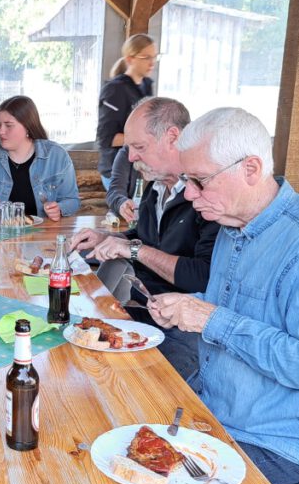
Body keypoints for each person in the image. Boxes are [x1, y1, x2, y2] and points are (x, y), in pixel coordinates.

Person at [148, 107, 299, 484]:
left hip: (278, 443)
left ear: (250, 169)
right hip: (219, 413)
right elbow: (239, 306)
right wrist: (185, 306)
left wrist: (210, 319)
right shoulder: (233, 224)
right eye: (186, 180)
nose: (189, 194)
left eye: (199, 181)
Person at [70, 97, 219, 381]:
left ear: (172, 138)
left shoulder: (206, 195)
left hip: (185, 331)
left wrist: (133, 249)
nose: (130, 158)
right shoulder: (156, 187)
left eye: (139, 147)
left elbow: (203, 276)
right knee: (74, 339)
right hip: (144, 313)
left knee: (116, 382)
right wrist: (107, 238)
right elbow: (144, 238)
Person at [0, 96, 80, 223]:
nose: (1, 131)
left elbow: (72, 200)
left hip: (43, 234)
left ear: (28, 127)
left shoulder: (57, 156)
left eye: (8, 125)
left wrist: (59, 209)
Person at [96, 33, 155, 187]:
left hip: (138, 170)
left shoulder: (147, 86)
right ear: (130, 59)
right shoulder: (114, 90)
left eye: (154, 57)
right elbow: (106, 138)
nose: (152, 62)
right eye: (146, 57)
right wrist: (147, 140)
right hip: (116, 171)